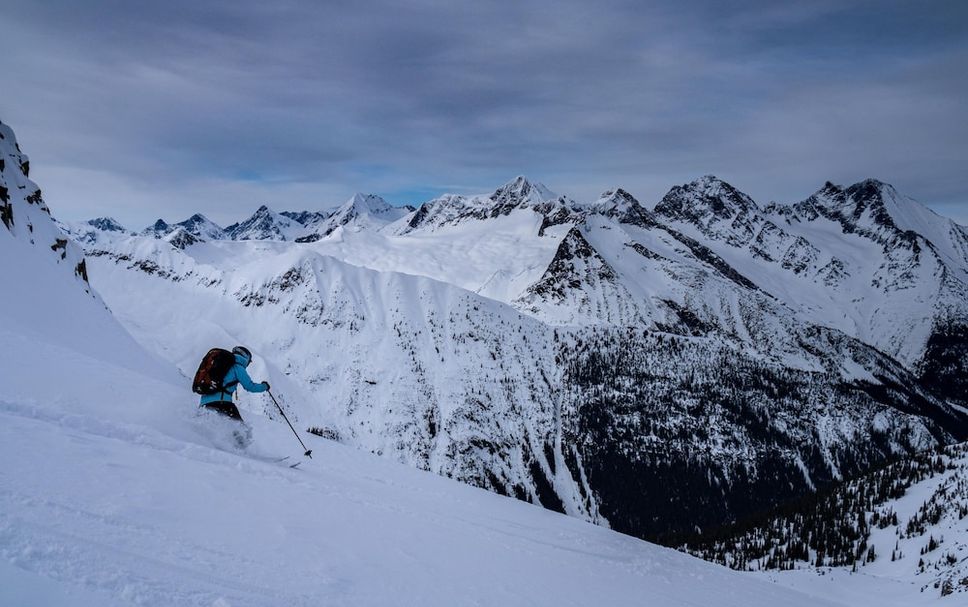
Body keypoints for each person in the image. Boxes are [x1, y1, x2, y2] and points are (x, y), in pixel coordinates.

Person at [199, 345, 269, 430]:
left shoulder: (218, 364)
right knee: (241, 431)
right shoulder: (237, 367)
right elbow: (250, 386)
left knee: (208, 430)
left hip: (204, 403)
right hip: (222, 402)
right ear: (246, 358)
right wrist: (264, 386)